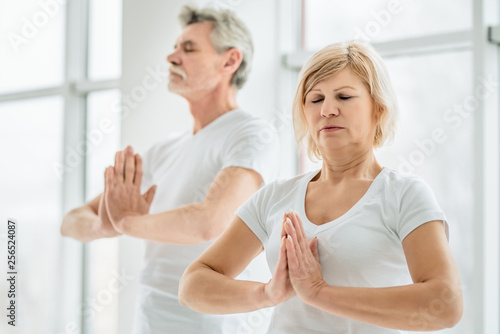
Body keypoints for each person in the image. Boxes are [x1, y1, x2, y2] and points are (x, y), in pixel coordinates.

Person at [179, 40, 463, 333]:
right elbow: (192, 286)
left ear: (378, 109)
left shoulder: (405, 195)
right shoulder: (275, 197)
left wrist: (319, 292)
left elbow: (445, 305)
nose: (327, 110)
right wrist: (267, 293)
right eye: (315, 99)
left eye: (344, 97)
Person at [61, 6, 279, 334]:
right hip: (152, 315)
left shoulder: (250, 133)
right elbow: (72, 221)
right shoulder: (165, 150)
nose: (172, 57)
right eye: (175, 47)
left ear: (229, 61)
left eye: (188, 48)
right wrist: (104, 228)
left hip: (215, 322)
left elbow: (209, 223)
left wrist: (127, 223)